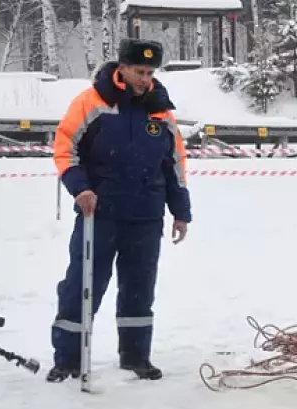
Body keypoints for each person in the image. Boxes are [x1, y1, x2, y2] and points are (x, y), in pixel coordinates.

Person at [47, 38, 192, 383]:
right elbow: (65, 150)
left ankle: (135, 356)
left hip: (146, 216)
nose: (146, 79)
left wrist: (181, 211)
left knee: (140, 288)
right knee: (82, 287)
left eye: (151, 72)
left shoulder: (160, 112)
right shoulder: (90, 103)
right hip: (100, 214)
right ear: (121, 69)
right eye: (140, 71)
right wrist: (80, 188)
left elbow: (175, 165)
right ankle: (68, 359)